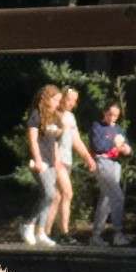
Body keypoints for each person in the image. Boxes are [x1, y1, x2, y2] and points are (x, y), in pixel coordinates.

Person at [20, 83, 65, 246]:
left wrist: (57, 160)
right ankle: (28, 224)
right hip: (41, 162)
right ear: (47, 99)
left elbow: (54, 142)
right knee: (50, 193)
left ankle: (41, 232)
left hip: (52, 162)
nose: (57, 104)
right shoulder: (36, 115)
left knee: (49, 196)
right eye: (55, 100)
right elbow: (33, 139)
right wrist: (38, 160)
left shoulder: (54, 117)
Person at [53, 87, 97, 239]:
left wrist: (88, 158)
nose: (72, 103)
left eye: (75, 101)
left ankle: (51, 231)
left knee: (58, 196)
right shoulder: (53, 114)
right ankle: (64, 233)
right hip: (55, 160)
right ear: (62, 98)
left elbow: (76, 140)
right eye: (69, 99)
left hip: (67, 159)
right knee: (67, 192)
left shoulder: (70, 117)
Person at [88, 101, 131, 246]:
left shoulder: (118, 129)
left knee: (107, 198)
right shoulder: (97, 127)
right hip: (103, 162)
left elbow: (126, 145)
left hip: (115, 163)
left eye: (116, 116)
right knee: (117, 196)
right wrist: (114, 144)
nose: (113, 118)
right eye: (110, 114)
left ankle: (96, 235)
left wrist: (127, 149)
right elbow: (97, 146)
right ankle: (118, 232)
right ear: (104, 112)